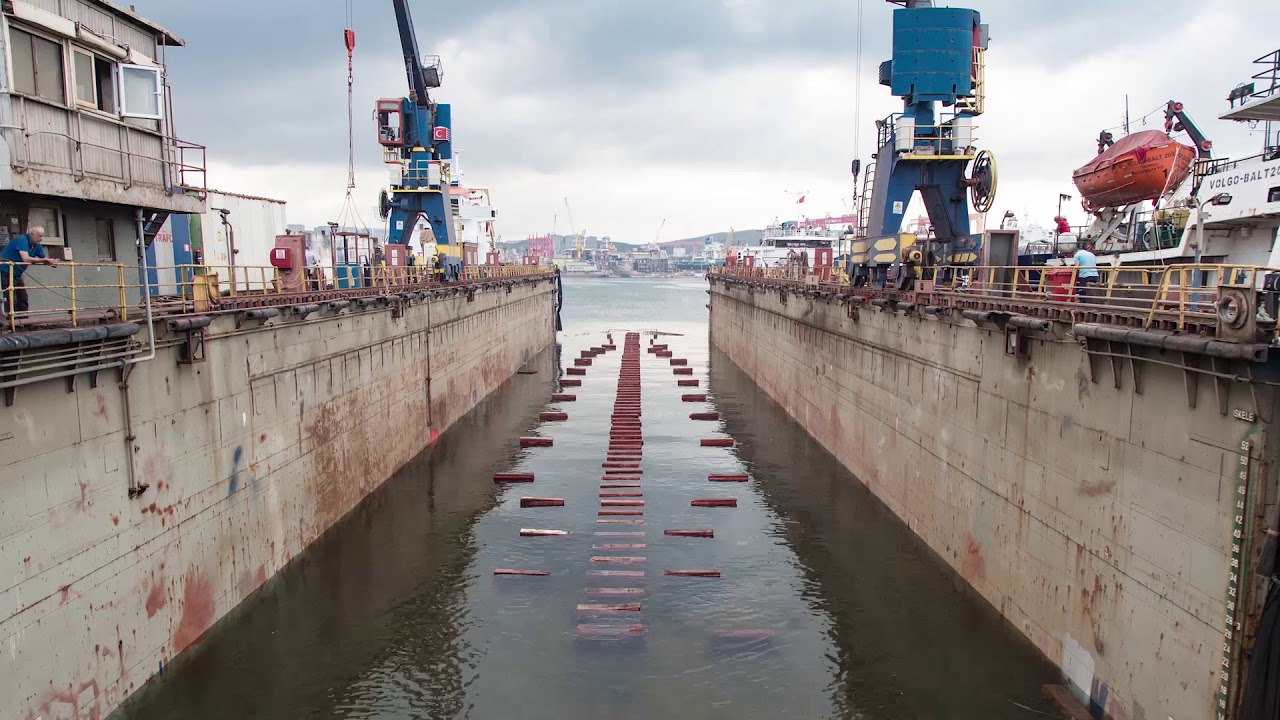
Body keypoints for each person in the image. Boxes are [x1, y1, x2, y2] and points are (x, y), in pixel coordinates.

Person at [0, 225, 58, 317]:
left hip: (16, 274)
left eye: (42, 236)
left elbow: (44, 258)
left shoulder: (36, 246)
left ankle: (23, 321)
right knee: (9, 297)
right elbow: (25, 258)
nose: (41, 238)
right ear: (32, 235)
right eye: (40, 236)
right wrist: (46, 261)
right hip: (4, 271)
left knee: (22, 297)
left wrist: (52, 262)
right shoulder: (22, 240)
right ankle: (9, 322)